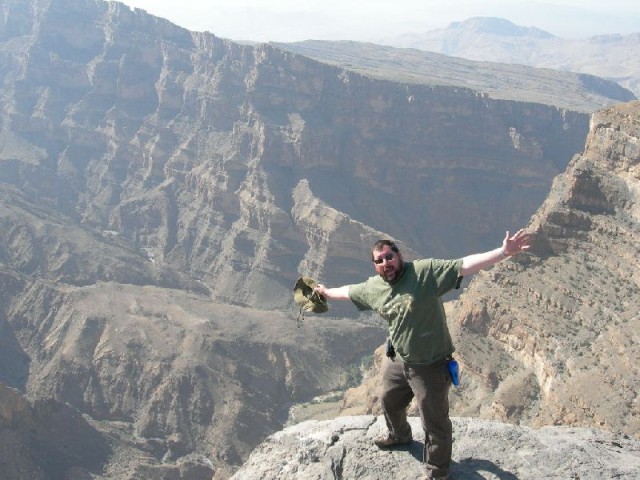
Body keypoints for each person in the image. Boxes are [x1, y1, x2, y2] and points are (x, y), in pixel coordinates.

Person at [314, 229, 531, 480]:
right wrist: (326, 292)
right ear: (375, 266)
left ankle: (437, 472)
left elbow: (464, 265)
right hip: (399, 360)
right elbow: (350, 290)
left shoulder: (424, 273)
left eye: (389, 256)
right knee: (388, 399)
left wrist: (503, 252)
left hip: (430, 366)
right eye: (380, 261)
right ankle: (399, 435)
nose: (386, 263)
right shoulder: (374, 288)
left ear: (398, 255)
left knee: (434, 423)